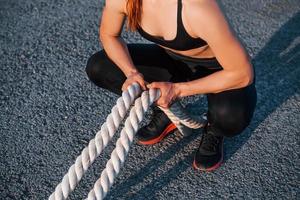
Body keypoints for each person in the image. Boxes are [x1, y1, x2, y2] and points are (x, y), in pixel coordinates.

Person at [85, 0, 257, 172]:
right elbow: (109, 35)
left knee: (229, 116)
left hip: (219, 69)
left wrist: (176, 90)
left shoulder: (198, 7)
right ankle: (166, 112)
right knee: (100, 67)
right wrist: (131, 73)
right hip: (172, 61)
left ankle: (214, 130)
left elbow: (243, 73)